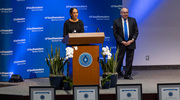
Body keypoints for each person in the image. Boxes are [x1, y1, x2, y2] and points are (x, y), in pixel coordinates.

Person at [113, 7, 139, 80]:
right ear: (121, 13)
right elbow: (115, 34)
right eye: (124, 13)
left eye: (127, 12)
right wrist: (122, 41)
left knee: (129, 60)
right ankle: (118, 73)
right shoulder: (116, 21)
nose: (125, 14)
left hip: (131, 43)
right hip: (121, 43)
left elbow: (136, 32)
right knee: (119, 59)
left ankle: (127, 75)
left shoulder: (133, 20)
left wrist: (132, 40)